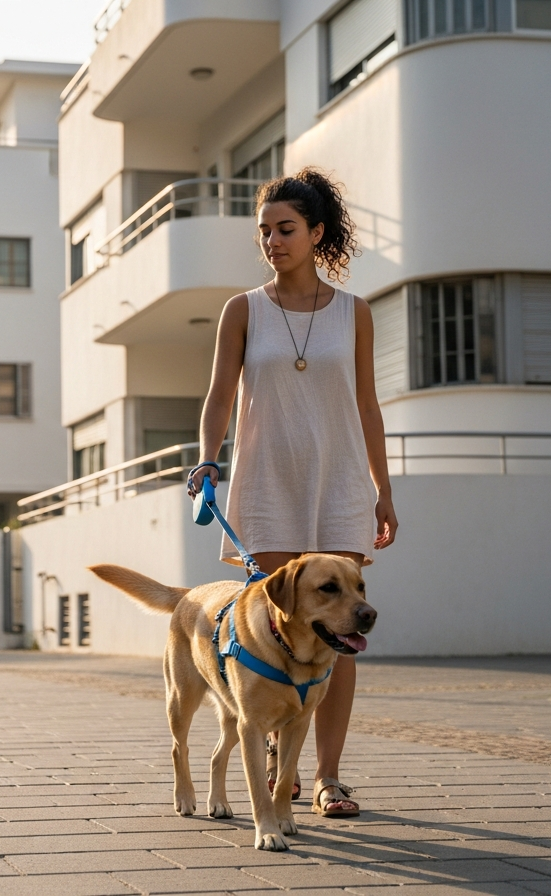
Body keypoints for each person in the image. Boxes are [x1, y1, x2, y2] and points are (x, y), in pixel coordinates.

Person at [187, 167, 398, 818]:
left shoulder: (354, 313)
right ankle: (282, 764)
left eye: (285, 230)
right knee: (271, 632)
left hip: (338, 486)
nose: (272, 241)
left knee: (338, 634)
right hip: (268, 481)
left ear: (316, 234)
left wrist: (382, 490)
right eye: (265, 231)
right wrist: (207, 459)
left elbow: (366, 404)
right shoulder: (242, 310)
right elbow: (220, 391)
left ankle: (330, 777)